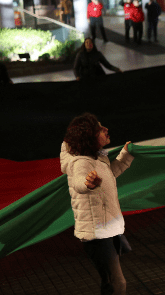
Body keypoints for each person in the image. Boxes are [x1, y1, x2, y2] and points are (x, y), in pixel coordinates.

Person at [60, 113, 135, 295]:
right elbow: (79, 182)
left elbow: (110, 175)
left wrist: (125, 155)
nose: (106, 129)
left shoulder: (97, 159)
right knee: (117, 284)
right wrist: (87, 183)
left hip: (106, 228)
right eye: (100, 129)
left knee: (111, 283)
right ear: (89, 136)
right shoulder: (81, 162)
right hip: (97, 234)